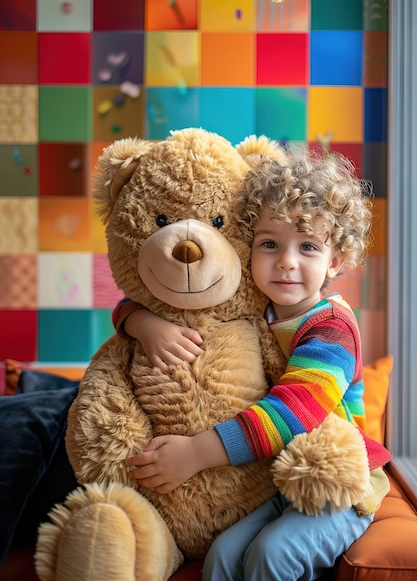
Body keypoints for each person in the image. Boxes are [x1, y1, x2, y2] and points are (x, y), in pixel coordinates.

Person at [114, 146, 393, 581]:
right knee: (223, 556)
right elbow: (150, 301)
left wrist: (195, 452)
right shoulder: (253, 308)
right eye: (269, 244)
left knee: (273, 555)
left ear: (335, 261)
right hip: (281, 477)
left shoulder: (332, 328)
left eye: (308, 247)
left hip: (339, 484)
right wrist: (143, 323)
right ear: (247, 248)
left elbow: (294, 412)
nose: (286, 260)